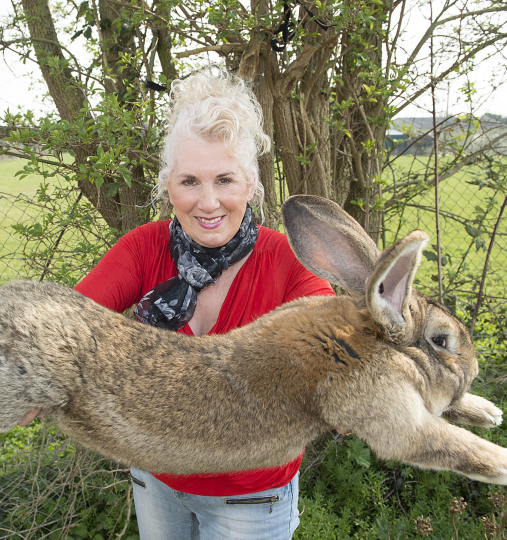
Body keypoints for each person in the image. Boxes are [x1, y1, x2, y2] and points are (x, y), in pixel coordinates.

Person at [74, 68, 335, 540]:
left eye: (225, 180)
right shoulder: (144, 248)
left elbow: (333, 350)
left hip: (250, 497)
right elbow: (63, 325)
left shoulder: (288, 263)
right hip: (156, 477)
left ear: (250, 184)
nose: (208, 202)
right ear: (168, 186)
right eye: (190, 181)